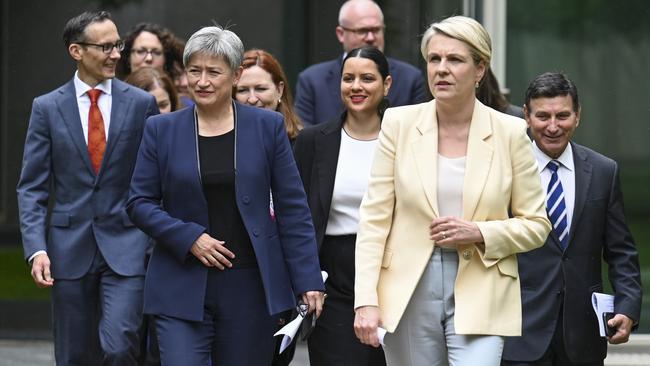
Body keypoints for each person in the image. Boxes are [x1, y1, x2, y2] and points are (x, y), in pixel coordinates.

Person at [352, 16, 551, 365]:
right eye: (434, 59)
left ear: (479, 69)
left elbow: (537, 224)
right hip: (408, 286)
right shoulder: (398, 124)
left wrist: (478, 231)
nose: (441, 69)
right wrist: (366, 299)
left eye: (455, 60)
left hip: (484, 285)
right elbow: (374, 220)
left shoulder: (511, 132)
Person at [126, 25, 325, 365]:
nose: (202, 81)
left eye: (213, 72)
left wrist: (308, 279)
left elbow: (293, 209)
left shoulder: (267, 127)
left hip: (250, 285)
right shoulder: (161, 129)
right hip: (180, 282)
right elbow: (139, 202)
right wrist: (189, 238)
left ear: (235, 76)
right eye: (194, 71)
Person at [16, 11, 158, 365]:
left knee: (120, 345)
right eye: (106, 46)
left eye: (118, 45)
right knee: (74, 353)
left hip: (127, 246)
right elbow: (32, 187)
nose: (116, 54)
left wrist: (153, 239)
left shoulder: (141, 104)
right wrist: (36, 249)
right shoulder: (46, 108)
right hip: (68, 247)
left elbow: (157, 177)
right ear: (76, 51)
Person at [501, 72, 642, 366]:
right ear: (526, 116)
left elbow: (622, 252)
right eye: (543, 116)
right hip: (519, 334)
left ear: (578, 116)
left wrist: (628, 307)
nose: (553, 126)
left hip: (582, 337)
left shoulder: (604, 171)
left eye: (563, 115)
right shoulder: (504, 171)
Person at [294, 46, 390, 366]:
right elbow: (299, 216)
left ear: (386, 84)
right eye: (348, 79)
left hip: (392, 269)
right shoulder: (313, 140)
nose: (356, 87)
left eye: (367, 78)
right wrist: (307, 279)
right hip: (333, 274)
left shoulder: (406, 137)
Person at [294, 0, 428, 126]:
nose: (370, 38)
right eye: (362, 31)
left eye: (376, 30)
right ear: (341, 34)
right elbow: (305, 140)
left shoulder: (410, 79)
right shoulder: (312, 80)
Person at [234, 49, 303, 142]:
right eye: (242, 90)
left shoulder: (302, 142)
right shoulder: (226, 139)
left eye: (261, 89)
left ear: (279, 90)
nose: (252, 99)